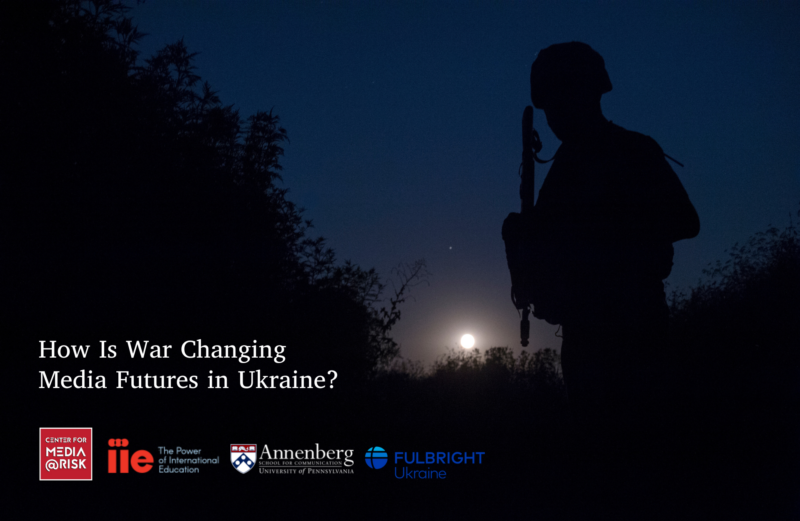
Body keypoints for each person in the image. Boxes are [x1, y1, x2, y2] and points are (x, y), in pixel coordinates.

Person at [525, 41, 700, 513]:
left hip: (634, 328)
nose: (554, 116)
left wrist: (603, 235)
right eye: (549, 106)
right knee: (598, 462)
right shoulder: (564, 168)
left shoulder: (629, 150)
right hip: (585, 335)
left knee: (639, 459)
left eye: (561, 101)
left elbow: (685, 220)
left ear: (587, 94)